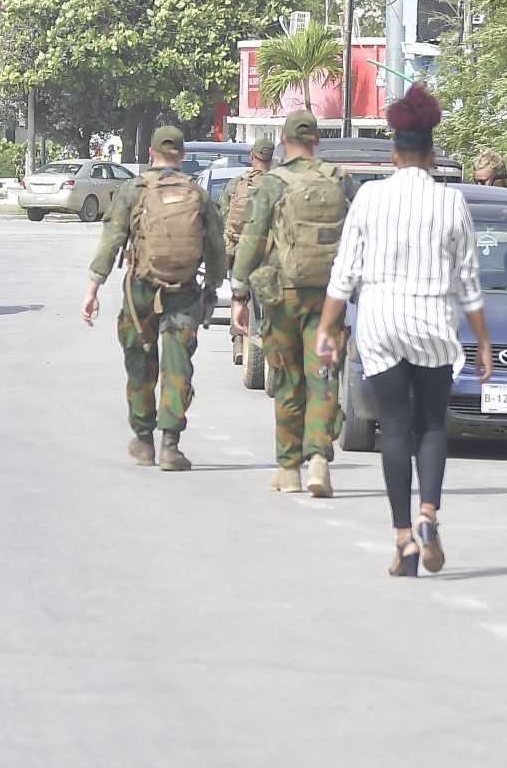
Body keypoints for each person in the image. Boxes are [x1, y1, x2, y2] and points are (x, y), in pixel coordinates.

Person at [315, 87, 493, 576]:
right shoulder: (452, 202)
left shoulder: (370, 197)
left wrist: (328, 328)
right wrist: (481, 340)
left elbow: (343, 272)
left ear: (394, 154)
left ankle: (402, 541)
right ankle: (428, 515)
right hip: (434, 321)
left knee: (392, 426)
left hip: (381, 322)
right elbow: (469, 282)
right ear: (432, 157)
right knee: (432, 423)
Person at [82, 125, 226, 471]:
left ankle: (143, 440)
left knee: (140, 363)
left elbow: (113, 238)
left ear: (150, 152)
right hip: (184, 291)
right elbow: (216, 249)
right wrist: (213, 287)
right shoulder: (197, 194)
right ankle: (170, 446)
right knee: (177, 367)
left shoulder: (134, 190)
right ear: (183, 155)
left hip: (141, 290)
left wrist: (93, 287)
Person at [232, 110, 354, 495]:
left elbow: (251, 239)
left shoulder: (273, 183)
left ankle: (288, 469)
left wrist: (238, 293)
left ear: (284, 142)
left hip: (283, 296)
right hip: (330, 295)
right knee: (322, 376)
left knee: (287, 377)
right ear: (317, 140)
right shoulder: (341, 181)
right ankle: (319, 458)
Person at [222, 136, 277, 368]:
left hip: (239, 251)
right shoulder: (279, 184)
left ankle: (238, 341)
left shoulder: (237, 184)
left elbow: (224, 214)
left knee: (239, 295)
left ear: (252, 156)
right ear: (272, 159)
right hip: (269, 254)